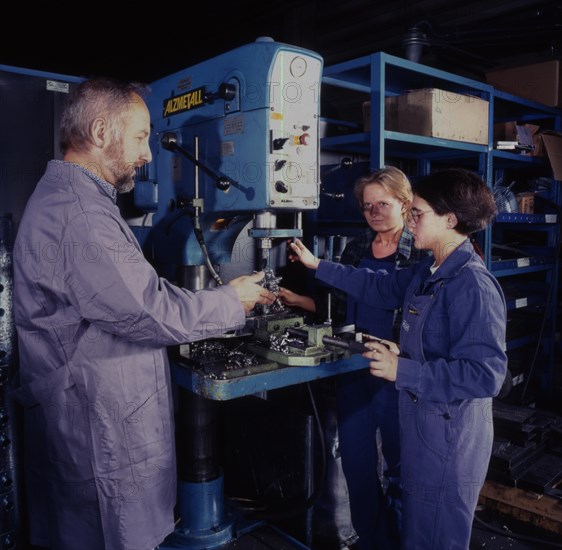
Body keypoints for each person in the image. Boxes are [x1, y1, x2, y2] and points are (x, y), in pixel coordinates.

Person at [11, 77, 276, 550]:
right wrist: (232, 300)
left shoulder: (82, 202)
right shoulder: (80, 214)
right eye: (139, 137)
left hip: (96, 408)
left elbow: (128, 293)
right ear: (99, 132)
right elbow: (147, 310)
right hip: (97, 427)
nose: (149, 154)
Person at [287, 168, 507, 549]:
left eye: (418, 213)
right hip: (423, 416)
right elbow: (378, 286)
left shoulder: (472, 283)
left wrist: (400, 367)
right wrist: (317, 265)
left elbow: (485, 375)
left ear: (450, 220)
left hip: (449, 432)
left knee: (437, 534)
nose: (411, 220)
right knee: (417, 530)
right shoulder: (429, 270)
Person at [279, 167, 426, 550]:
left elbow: (395, 300)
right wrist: (298, 301)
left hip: (395, 376)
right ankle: (372, 542)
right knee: (357, 468)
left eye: (383, 204)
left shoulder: (421, 254)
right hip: (353, 372)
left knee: (399, 472)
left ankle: (398, 542)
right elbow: (341, 307)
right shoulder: (358, 248)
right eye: (367, 206)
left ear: (405, 203)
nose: (374, 212)